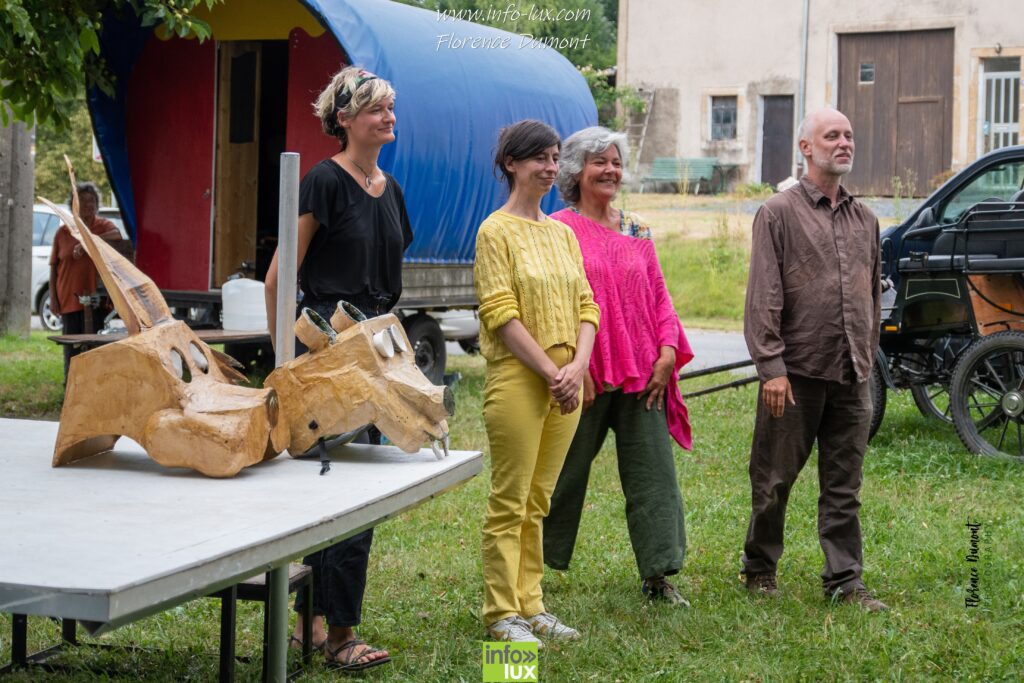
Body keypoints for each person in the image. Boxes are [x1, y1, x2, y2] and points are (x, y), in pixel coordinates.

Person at [264, 65, 410, 671]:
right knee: (319, 487)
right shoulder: (324, 180)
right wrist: (286, 366)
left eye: (391, 106)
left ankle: (341, 628)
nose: (388, 115)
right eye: (375, 107)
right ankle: (311, 627)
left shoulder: (391, 188)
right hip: (326, 351)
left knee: (360, 493)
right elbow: (279, 277)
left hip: (375, 351)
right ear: (344, 119)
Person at [740, 107, 886, 612]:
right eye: (832, 136)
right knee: (774, 479)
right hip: (796, 374)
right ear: (806, 147)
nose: (844, 142)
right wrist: (772, 369)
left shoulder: (866, 219)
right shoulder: (778, 212)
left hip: (852, 375)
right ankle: (759, 569)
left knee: (845, 485)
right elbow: (764, 297)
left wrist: (866, 356)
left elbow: (870, 295)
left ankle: (845, 581)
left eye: (848, 134)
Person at [542, 127, 694, 606]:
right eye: (598, 162)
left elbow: (659, 295)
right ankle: (528, 569)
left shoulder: (637, 228)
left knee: (653, 475)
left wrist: (668, 350)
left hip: (642, 374)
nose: (610, 170)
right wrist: (575, 363)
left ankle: (658, 575)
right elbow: (552, 303)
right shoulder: (557, 229)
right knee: (559, 473)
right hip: (582, 374)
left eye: (615, 162)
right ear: (574, 171)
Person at [474, 120, 600, 645]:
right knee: (510, 499)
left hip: (567, 382)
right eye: (539, 159)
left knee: (539, 501)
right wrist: (552, 373)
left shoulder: (562, 232)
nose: (550, 168)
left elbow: (587, 305)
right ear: (511, 164)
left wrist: (577, 368)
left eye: (554, 158)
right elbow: (500, 311)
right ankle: (501, 614)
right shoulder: (494, 231)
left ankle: (533, 606)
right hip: (520, 381)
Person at [49, 182, 123, 378]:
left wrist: (88, 241)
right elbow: (54, 267)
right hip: (69, 298)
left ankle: (93, 389)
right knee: (71, 349)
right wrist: (54, 299)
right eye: (82, 201)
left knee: (95, 348)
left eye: (92, 201)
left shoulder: (103, 226)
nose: (88, 205)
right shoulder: (63, 232)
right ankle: (70, 388)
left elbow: (118, 235)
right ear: (74, 204)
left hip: (97, 299)